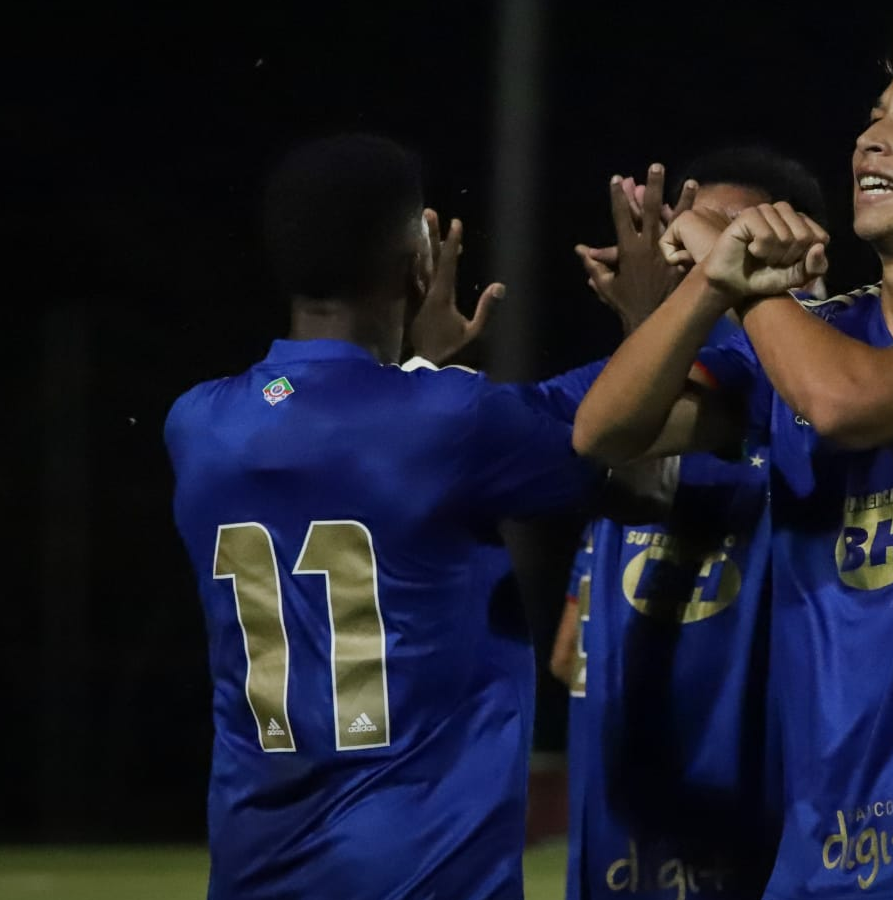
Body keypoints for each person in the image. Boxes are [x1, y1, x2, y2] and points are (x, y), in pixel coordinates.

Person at [573, 21, 893, 900]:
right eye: (874, 115)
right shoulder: (811, 331)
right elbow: (608, 430)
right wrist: (712, 283)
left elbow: (850, 403)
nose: (872, 135)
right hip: (816, 852)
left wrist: (744, 280)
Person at [162, 132, 604, 900]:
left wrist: (418, 373)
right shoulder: (451, 419)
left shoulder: (197, 425)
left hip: (254, 871)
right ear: (419, 262)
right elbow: (609, 429)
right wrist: (661, 313)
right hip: (424, 874)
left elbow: (341, 436)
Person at [545, 146, 828, 900]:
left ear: (803, 250)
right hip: (629, 839)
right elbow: (570, 653)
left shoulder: (800, 403)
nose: (694, 254)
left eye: (719, 232)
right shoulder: (661, 412)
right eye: (685, 233)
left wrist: (654, 316)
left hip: (758, 839)